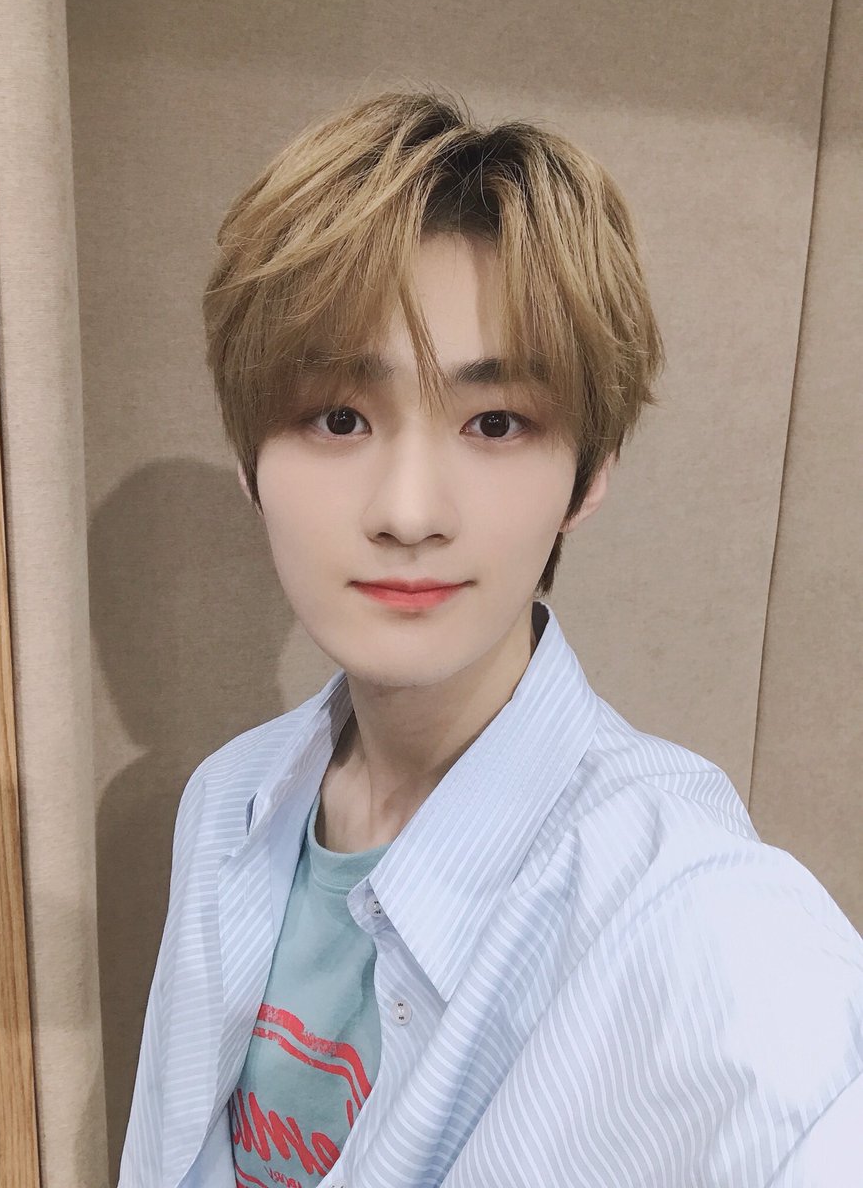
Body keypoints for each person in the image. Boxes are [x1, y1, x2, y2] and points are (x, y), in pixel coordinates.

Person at [117, 86, 863, 1188]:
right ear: (249, 459)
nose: (409, 511)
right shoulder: (230, 802)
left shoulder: (687, 903)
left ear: (589, 474)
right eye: (339, 418)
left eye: (496, 422)